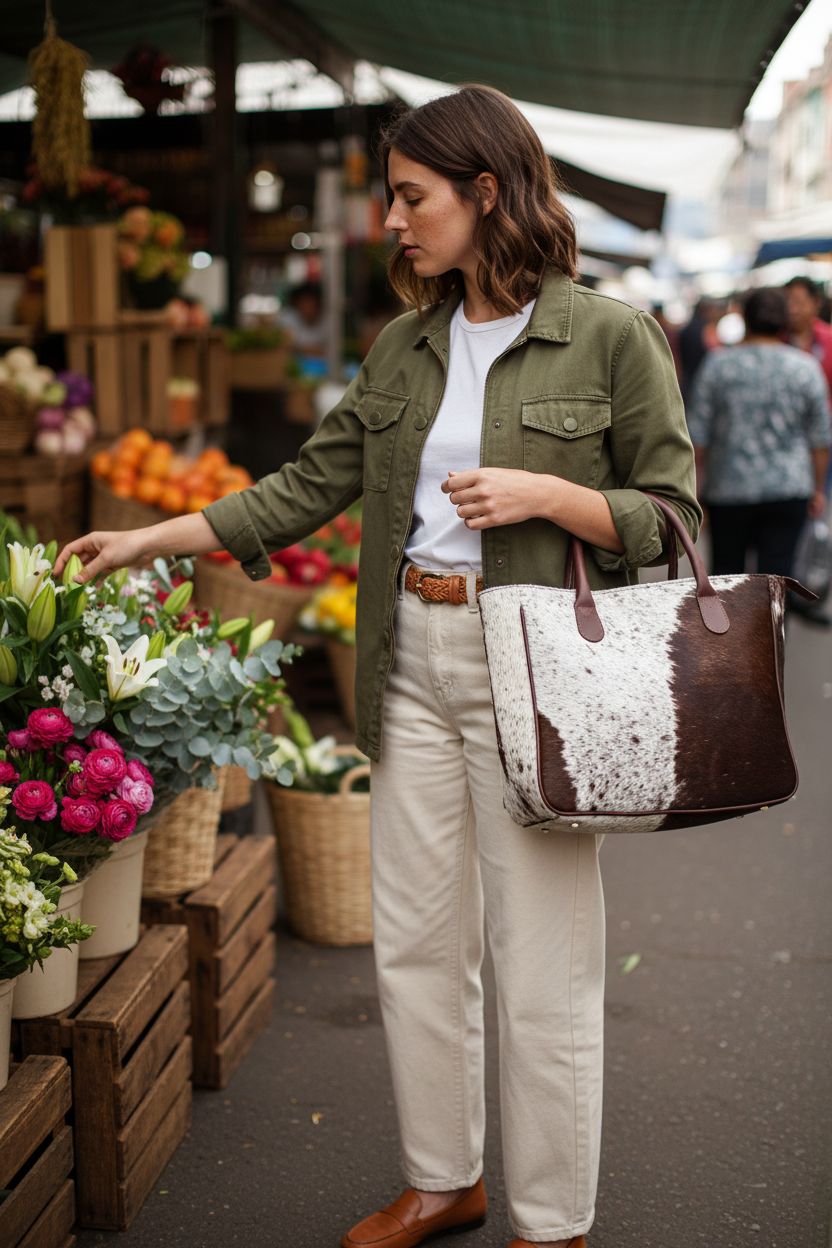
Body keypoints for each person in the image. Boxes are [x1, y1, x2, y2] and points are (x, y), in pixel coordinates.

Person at [56, 84, 701, 1248]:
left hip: (537, 670)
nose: (393, 222)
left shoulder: (610, 334)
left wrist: (552, 496)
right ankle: (441, 1176)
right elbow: (306, 488)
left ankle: (552, 1220)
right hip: (407, 655)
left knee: (541, 959)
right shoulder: (406, 345)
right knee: (413, 938)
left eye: (411, 197)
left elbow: (671, 516)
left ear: (485, 191)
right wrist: (149, 537)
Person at [687, 287, 831, 580]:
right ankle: (775, 627)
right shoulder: (805, 368)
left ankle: (728, 628)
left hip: (728, 488)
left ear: (746, 319)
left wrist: (695, 492)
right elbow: (820, 437)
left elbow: (697, 435)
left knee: (727, 579)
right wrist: (817, 489)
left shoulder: (718, 365)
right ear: (783, 322)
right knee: (777, 581)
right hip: (789, 487)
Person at [785, 276, 832, 399]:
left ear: (816, 303)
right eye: (787, 303)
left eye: (798, 302)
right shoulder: (778, 341)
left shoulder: (829, 340)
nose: (792, 310)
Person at [278, 280, 327, 356]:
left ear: (318, 304)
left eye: (310, 302)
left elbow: (329, 350)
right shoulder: (288, 318)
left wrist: (297, 349)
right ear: (297, 304)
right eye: (303, 302)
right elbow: (284, 346)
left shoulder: (328, 321)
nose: (306, 307)